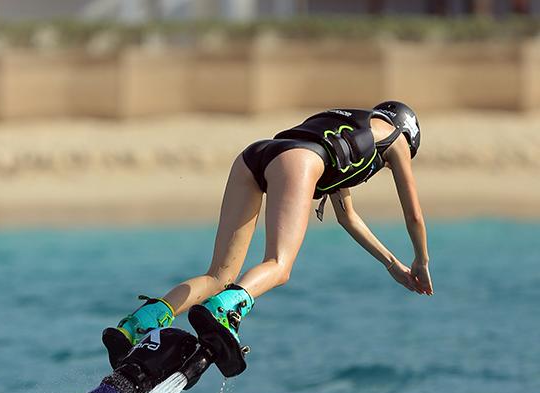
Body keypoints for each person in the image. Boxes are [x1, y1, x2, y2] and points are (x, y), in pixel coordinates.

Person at [103, 101, 433, 377]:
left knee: (219, 275)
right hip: (299, 159)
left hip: (257, 155)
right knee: (279, 264)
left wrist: (392, 263)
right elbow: (414, 215)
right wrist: (421, 260)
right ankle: (222, 310)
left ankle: (136, 325)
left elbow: (347, 216)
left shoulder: (352, 129)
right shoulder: (396, 139)